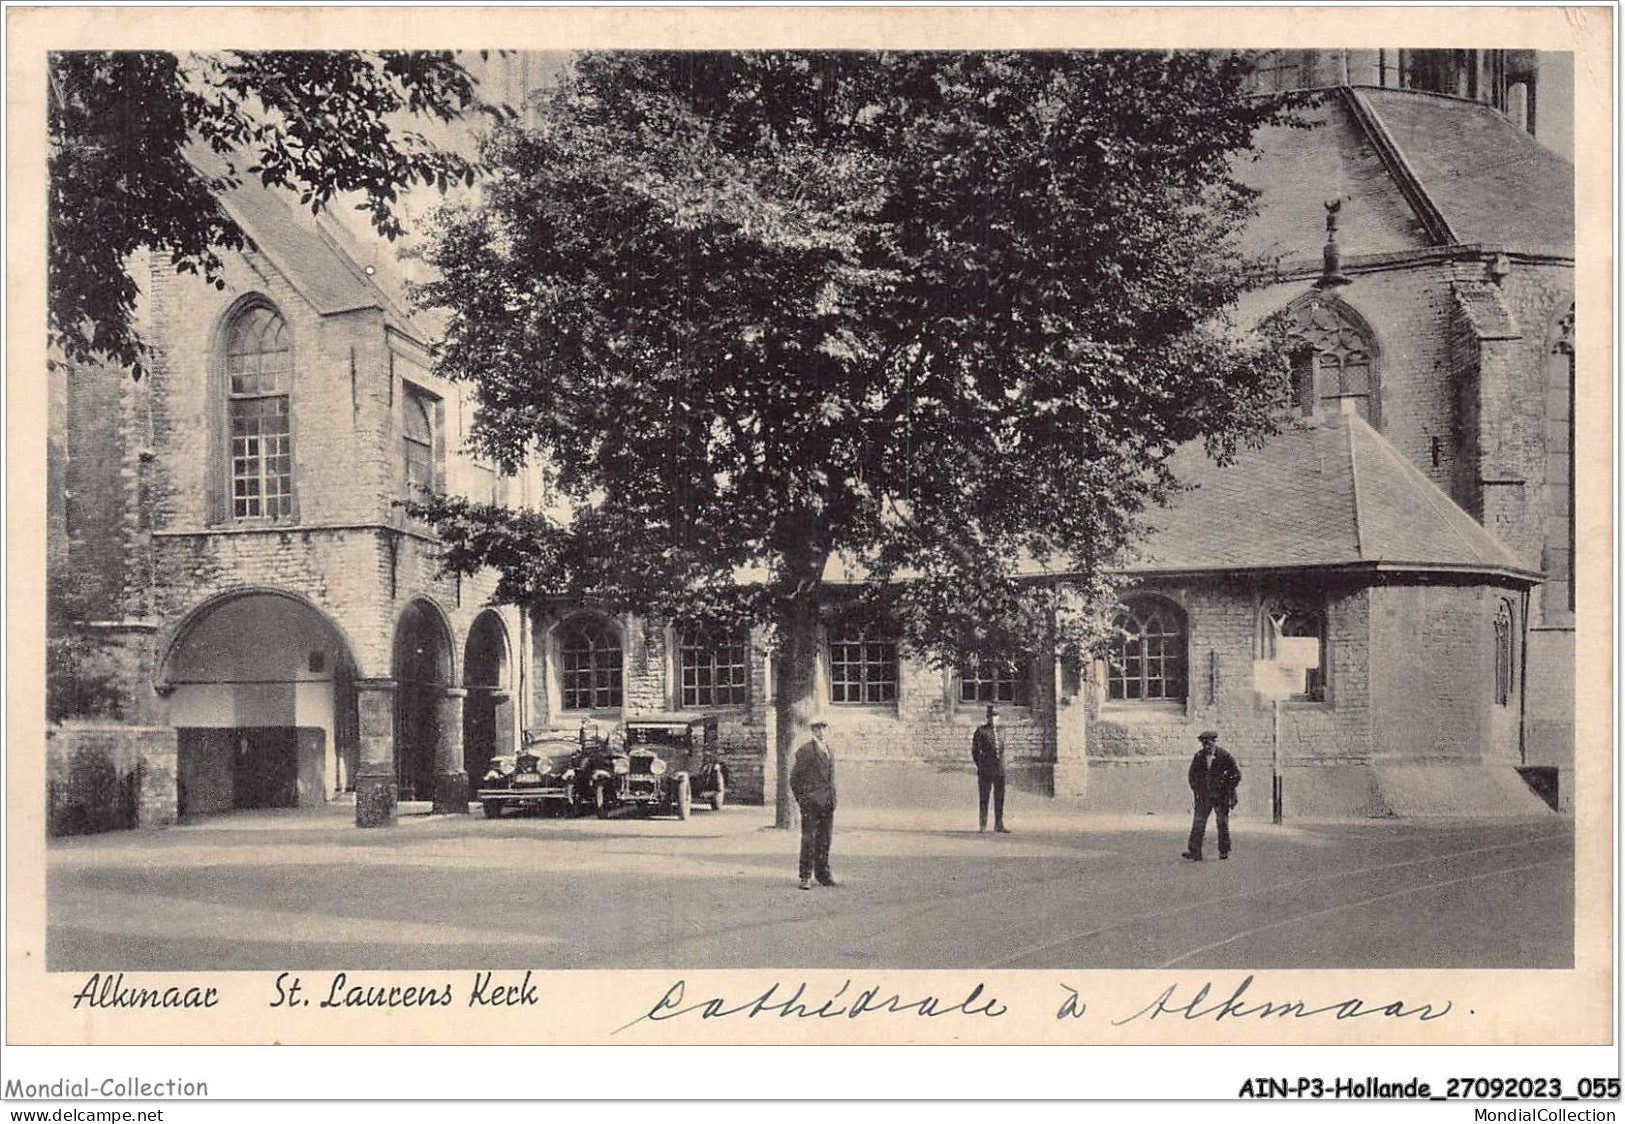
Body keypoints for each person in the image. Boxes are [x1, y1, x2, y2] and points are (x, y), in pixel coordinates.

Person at [790, 720, 838, 889]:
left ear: (828, 729)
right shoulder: (806, 751)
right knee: (809, 839)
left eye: (824, 728)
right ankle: (805, 876)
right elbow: (795, 778)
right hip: (811, 803)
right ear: (812, 731)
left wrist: (832, 798)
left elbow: (830, 778)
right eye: (817, 728)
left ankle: (823, 874)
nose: (821, 732)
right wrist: (803, 800)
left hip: (827, 802)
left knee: (825, 839)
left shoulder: (830, 750)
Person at [1183, 730, 1241, 861]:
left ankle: (1224, 851)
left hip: (1221, 796)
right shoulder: (1199, 756)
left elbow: (1236, 775)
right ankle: (1195, 851)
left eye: (1209, 744)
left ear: (1214, 742)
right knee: (1198, 822)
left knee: (1222, 823)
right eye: (1204, 744)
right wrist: (1197, 790)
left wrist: (1228, 788)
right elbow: (1192, 775)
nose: (1207, 747)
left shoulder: (1224, 756)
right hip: (1204, 796)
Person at [971, 704, 1010, 833]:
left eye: (995, 716)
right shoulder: (981, 731)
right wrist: (981, 765)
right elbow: (975, 751)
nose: (993, 719)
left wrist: (1003, 765)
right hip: (986, 770)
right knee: (984, 797)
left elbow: (1003, 750)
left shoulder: (1002, 731)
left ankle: (999, 824)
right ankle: (983, 824)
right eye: (991, 716)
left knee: (999, 797)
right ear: (987, 717)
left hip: (999, 770)